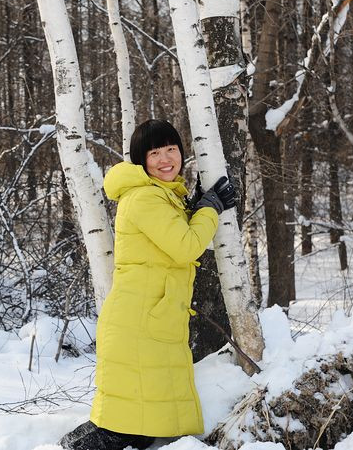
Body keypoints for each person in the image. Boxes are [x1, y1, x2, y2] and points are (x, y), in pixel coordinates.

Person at [59, 119, 236, 450]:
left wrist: (194, 207)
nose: (166, 158)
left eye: (171, 149)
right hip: (140, 317)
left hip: (147, 312)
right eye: (155, 152)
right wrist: (210, 210)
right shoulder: (145, 198)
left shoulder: (159, 195)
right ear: (141, 160)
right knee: (120, 425)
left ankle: (67, 445)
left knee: (134, 419)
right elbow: (184, 247)